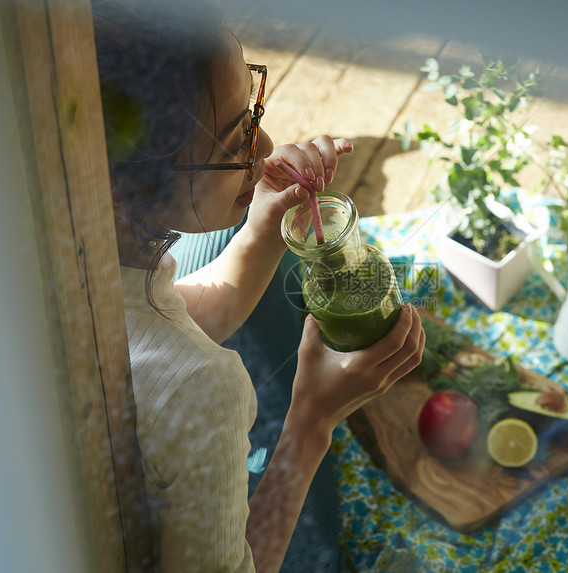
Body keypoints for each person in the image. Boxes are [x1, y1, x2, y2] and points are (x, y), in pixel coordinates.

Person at [92, 1, 426, 572]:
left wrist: (264, 231)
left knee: (224, 244)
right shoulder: (205, 389)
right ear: (127, 190)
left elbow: (171, 321)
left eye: (253, 113)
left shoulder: (73, 248)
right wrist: (311, 423)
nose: (266, 145)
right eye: (234, 143)